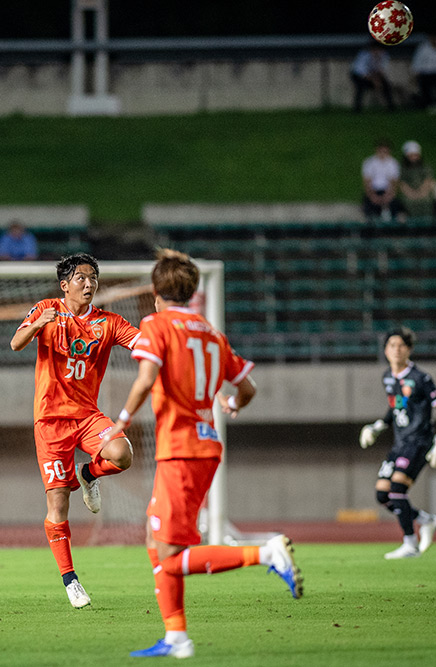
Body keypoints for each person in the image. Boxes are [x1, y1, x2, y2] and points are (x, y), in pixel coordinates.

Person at [101, 249, 301, 659]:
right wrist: (232, 404)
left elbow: (145, 379)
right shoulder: (211, 332)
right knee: (154, 540)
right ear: (192, 291)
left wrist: (121, 421)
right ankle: (176, 636)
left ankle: (266, 553)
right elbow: (247, 388)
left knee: (170, 558)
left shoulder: (157, 324)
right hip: (204, 446)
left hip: (180, 450)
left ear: (155, 291)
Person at [9, 253, 140, 609]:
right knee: (58, 503)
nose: (89, 283)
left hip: (87, 416)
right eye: (81, 277)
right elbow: (16, 343)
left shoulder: (108, 322)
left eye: (93, 277)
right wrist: (38, 324)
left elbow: (141, 343)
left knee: (122, 454)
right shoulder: (46, 309)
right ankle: (71, 580)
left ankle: (87, 473)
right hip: (50, 421)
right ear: (64, 285)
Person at [359, 326, 436, 560]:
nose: (396, 350)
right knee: (383, 495)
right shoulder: (388, 377)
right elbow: (396, 406)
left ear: (409, 349)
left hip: (419, 441)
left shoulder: (420, 378)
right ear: (385, 350)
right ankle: (425, 520)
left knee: (397, 489)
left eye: (401, 345)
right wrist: (378, 426)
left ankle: (410, 544)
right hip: (400, 443)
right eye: (392, 345)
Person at [398, 140, 436, 219]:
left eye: (415, 155)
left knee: (426, 201)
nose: (413, 157)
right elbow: (402, 184)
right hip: (409, 193)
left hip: (423, 192)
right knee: (409, 202)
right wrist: (412, 194)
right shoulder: (403, 169)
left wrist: (421, 193)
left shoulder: (425, 167)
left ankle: (427, 220)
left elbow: (427, 181)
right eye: (411, 155)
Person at [361, 138, 405, 222]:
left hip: (387, 191)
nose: (382, 154)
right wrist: (372, 195)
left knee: (395, 206)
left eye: (385, 151)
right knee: (369, 207)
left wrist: (389, 195)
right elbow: (367, 181)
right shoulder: (369, 162)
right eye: (381, 151)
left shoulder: (393, 163)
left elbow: (394, 182)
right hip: (374, 190)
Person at [350, 41, 395, 112]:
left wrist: (378, 80)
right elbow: (362, 72)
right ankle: (357, 108)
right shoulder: (364, 55)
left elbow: (382, 70)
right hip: (358, 75)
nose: (378, 52)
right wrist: (374, 81)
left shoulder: (384, 55)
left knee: (386, 86)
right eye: (375, 50)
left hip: (374, 75)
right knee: (360, 87)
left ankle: (391, 107)